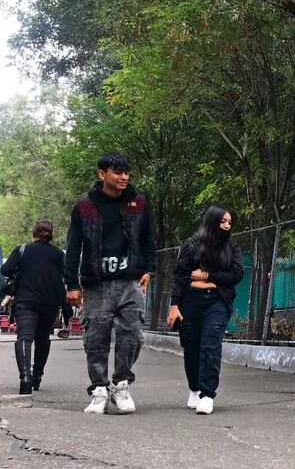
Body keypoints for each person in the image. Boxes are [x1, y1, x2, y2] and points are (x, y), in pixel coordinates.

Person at [65, 152, 156, 414]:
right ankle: (99, 389)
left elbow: (149, 239)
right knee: (96, 338)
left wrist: (150, 269)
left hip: (131, 282)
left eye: (126, 172)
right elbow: (73, 247)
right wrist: (72, 283)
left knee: (133, 335)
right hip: (97, 284)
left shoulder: (138, 203)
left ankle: (121, 384)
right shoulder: (84, 206)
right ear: (102, 174)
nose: (123, 177)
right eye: (117, 172)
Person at [167, 205, 243, 415]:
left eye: (229, 222)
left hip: (217, 302)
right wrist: (174, 306)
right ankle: (195, 388)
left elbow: (236, 275)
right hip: (190, 302)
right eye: (223, 221)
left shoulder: (232, 249)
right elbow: (181, 275)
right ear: (212, 221)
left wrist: (207, 276)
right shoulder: (192, 245)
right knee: (191, 347)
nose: (227, 226)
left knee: (210, 345)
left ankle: (207, 394)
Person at [1, 221, 69, 394]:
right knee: (43, 338)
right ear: (50, 234)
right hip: (49, 302)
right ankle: (37, 377)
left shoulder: (21, 250)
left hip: (25, 301)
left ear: (34, 233)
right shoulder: (57, 254)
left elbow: (6, 270)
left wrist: (21, 269)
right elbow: (67, 276)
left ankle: (25, 379)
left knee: (24, 338)